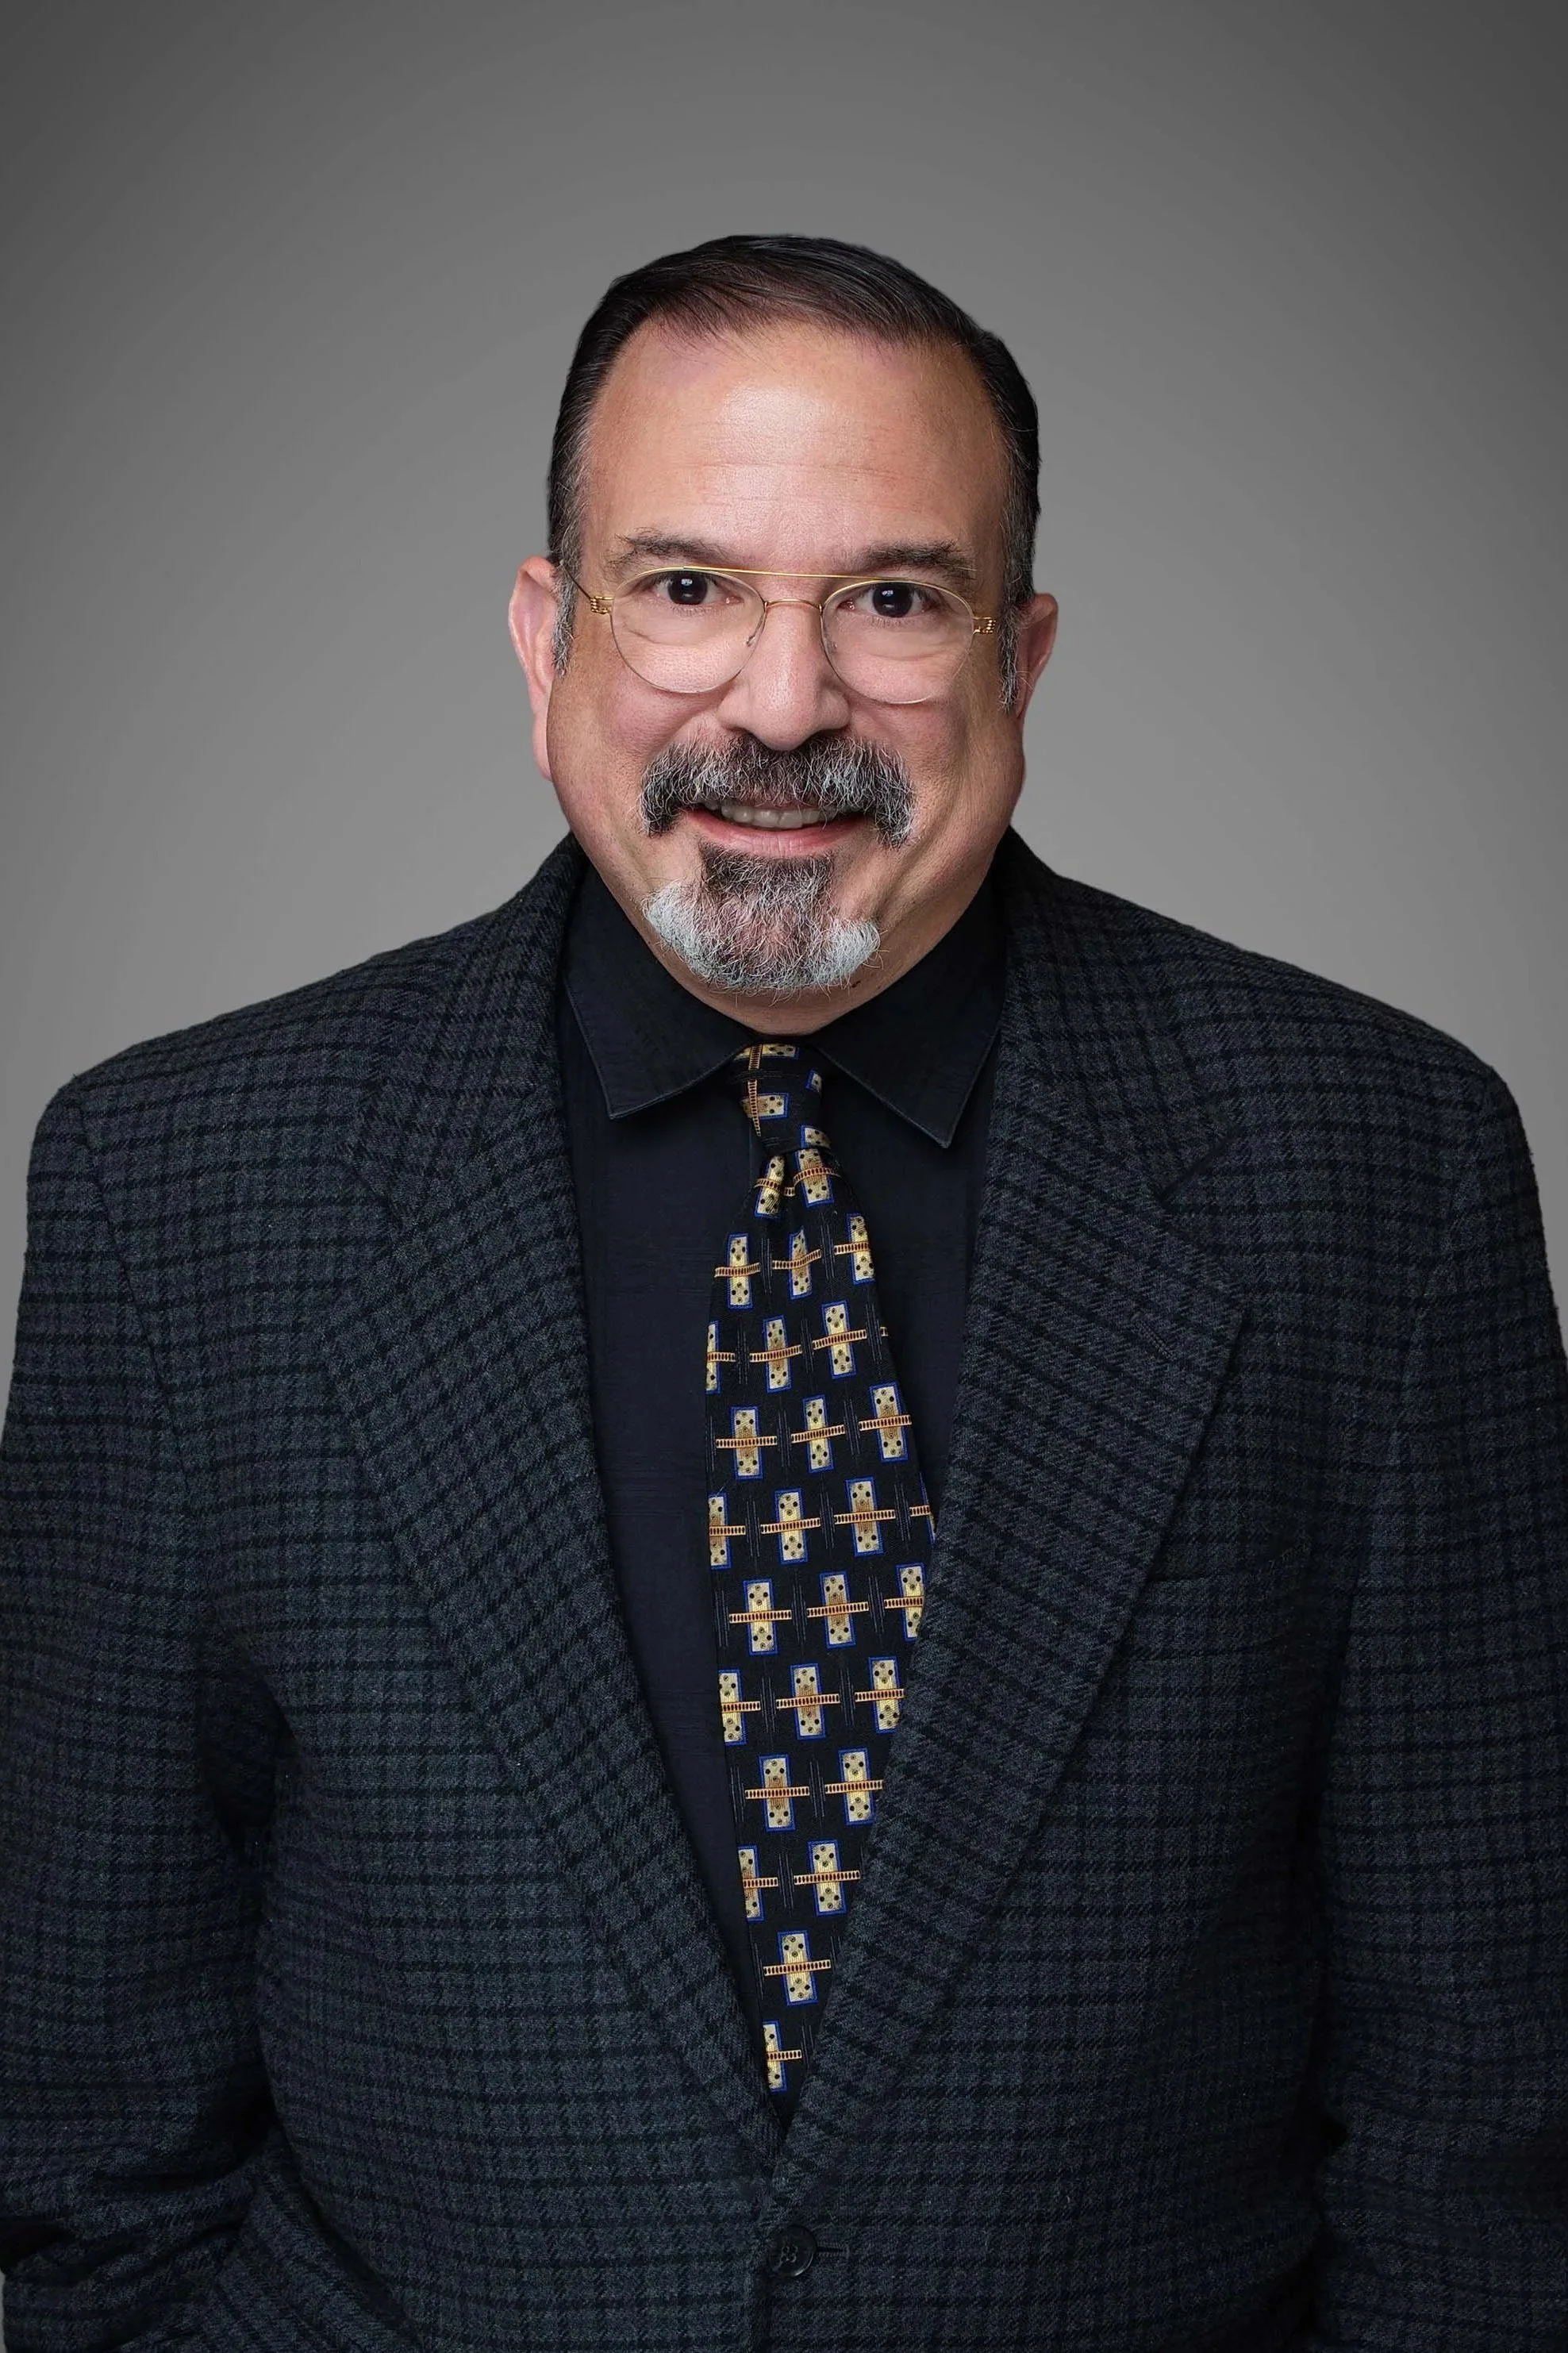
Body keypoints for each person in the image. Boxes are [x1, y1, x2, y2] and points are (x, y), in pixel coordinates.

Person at [1, 233, 1564, 2353]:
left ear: (1022, 656)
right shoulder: (187, 1189)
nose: (781, 701)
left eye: (893, 599)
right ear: (546, 637)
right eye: (687, 585)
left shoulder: (1376, 1166)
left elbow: (1486, 2112)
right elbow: (83, 2122)